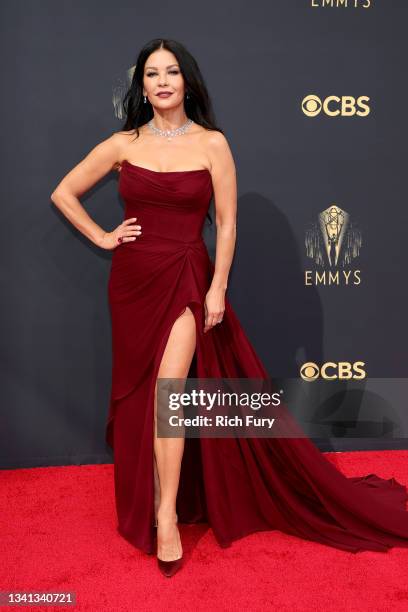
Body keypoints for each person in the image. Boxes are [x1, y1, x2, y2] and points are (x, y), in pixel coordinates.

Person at [51, 38, 408, 578]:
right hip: (132, 284)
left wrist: (217, 286)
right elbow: (63, 192)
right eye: (152, 74)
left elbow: (229, 222)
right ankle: (153, 501)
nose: (163, 81)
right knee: (142, 399)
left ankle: (166, 516)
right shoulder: (123, 143)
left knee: (169, 394)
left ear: (187, 82)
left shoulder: (212, 143)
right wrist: (104, 236)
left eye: (172, 72)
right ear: (141, 85)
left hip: (187, 278)